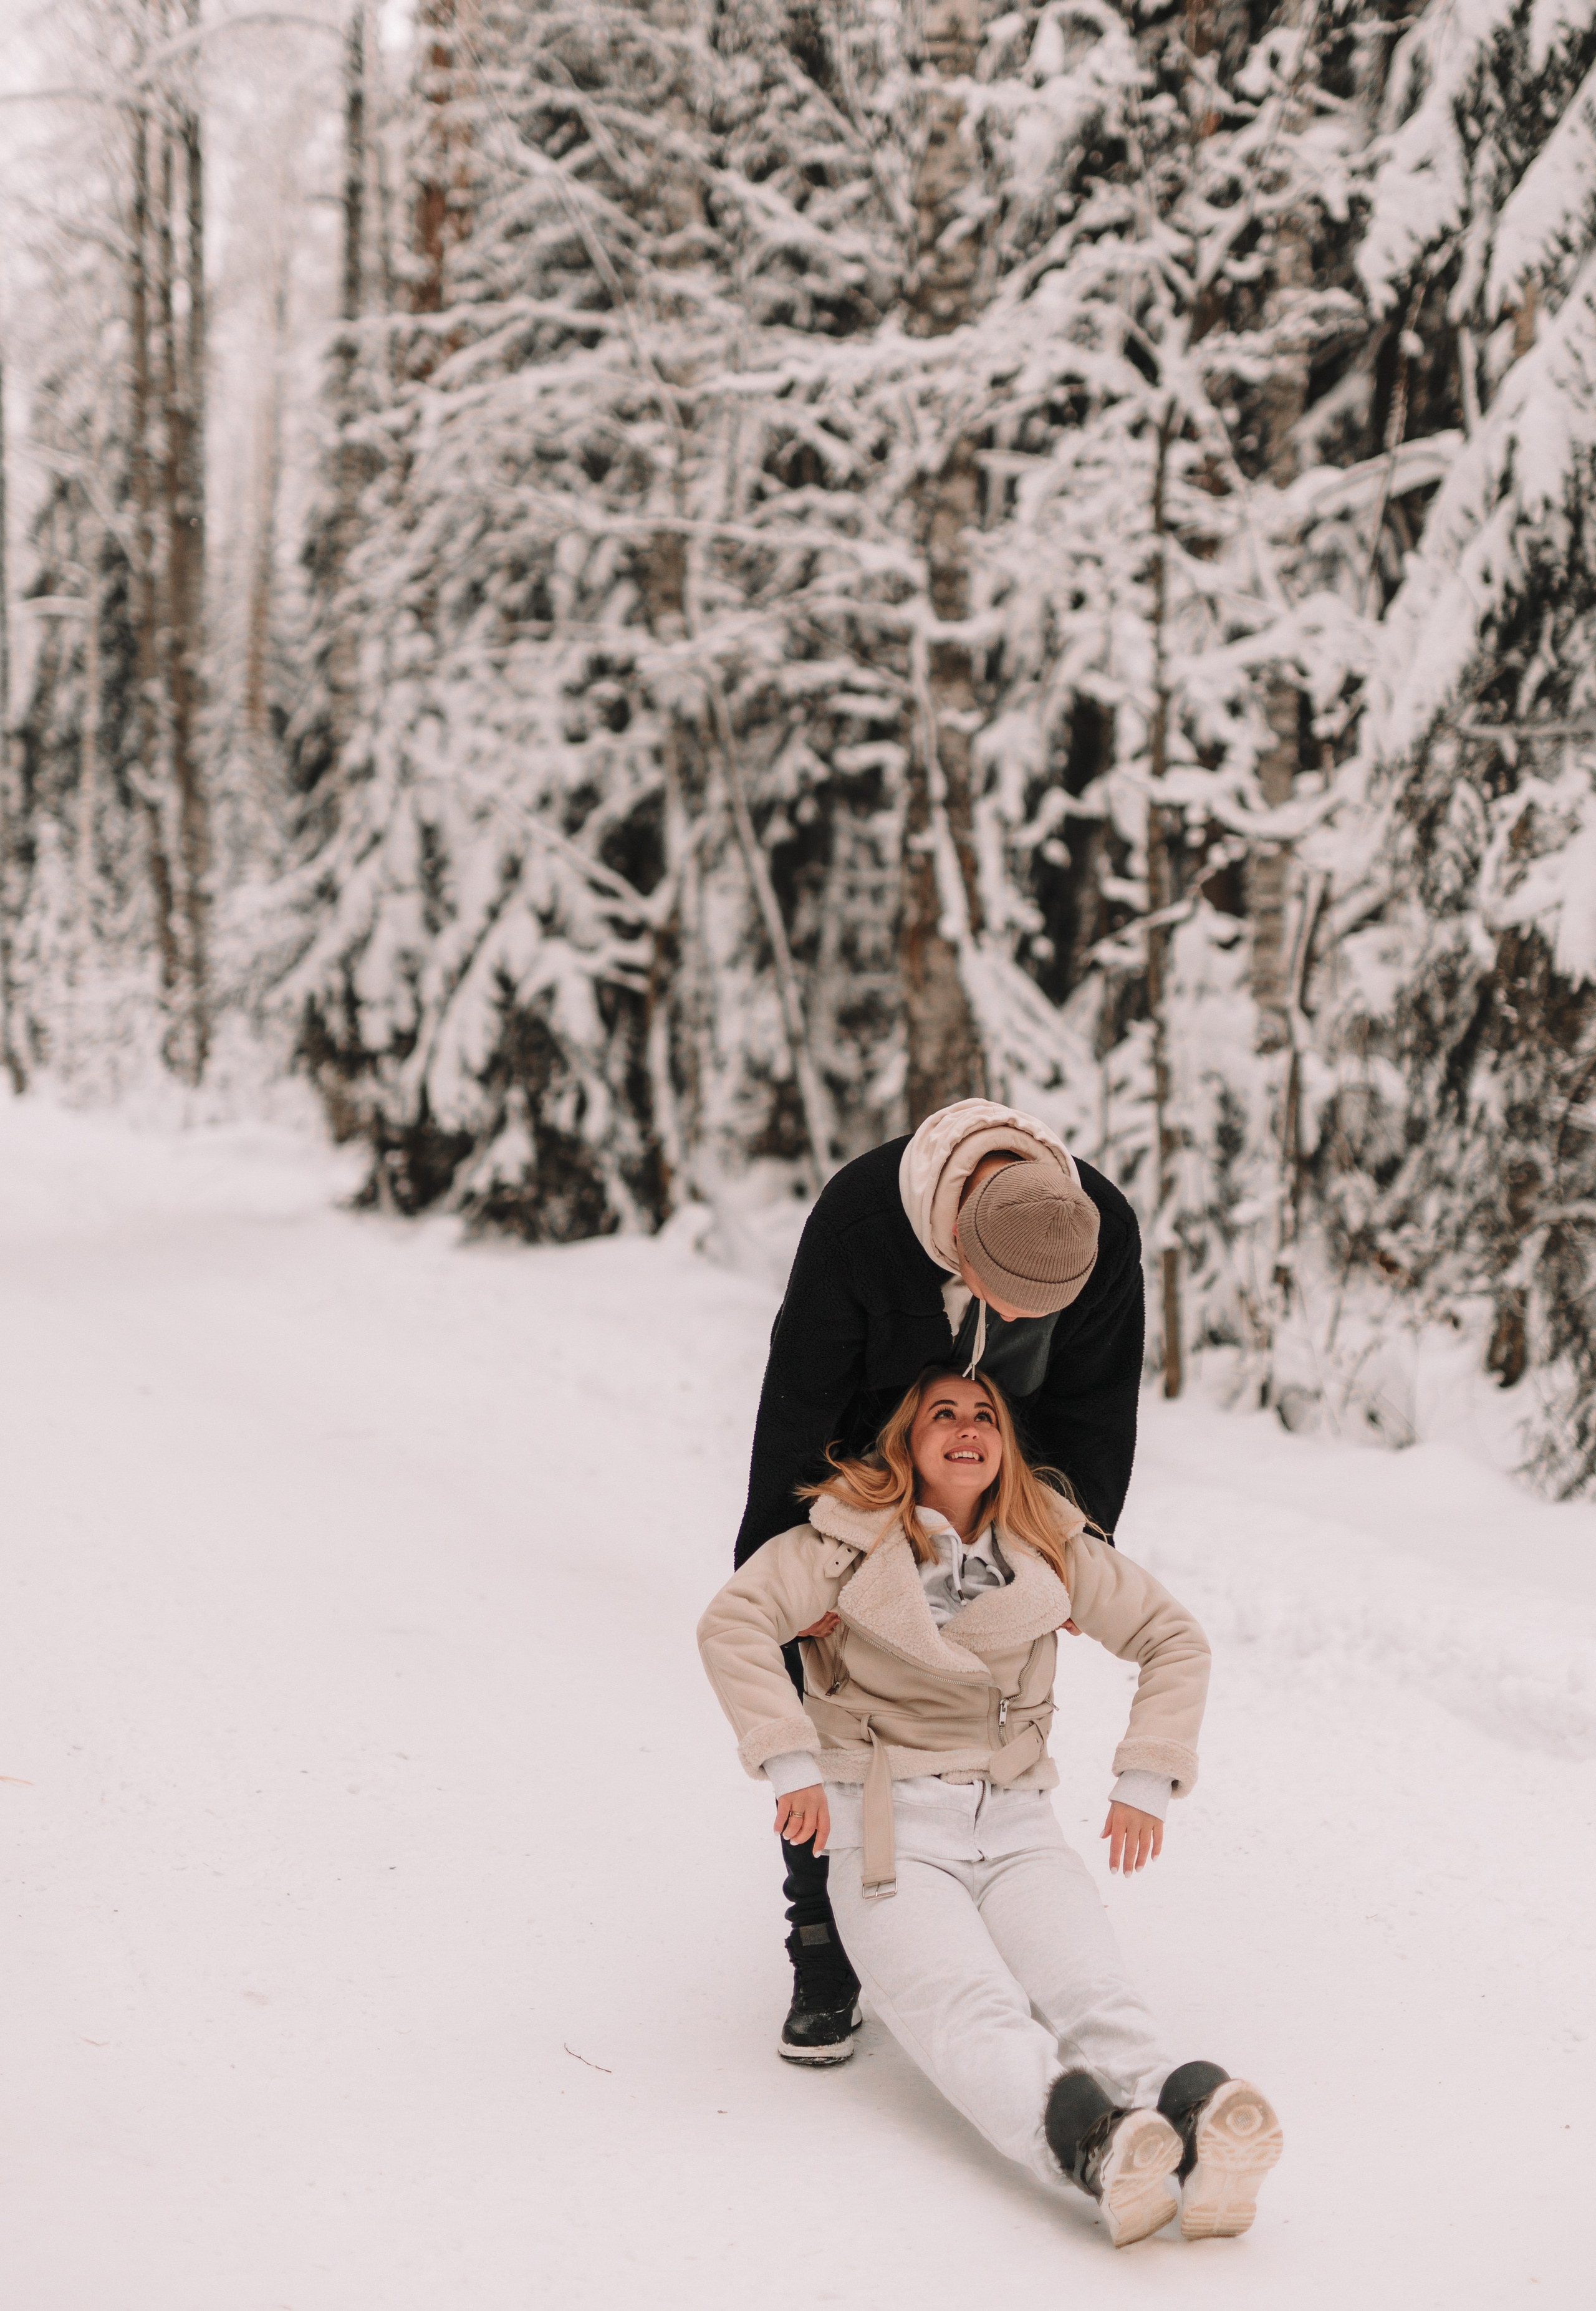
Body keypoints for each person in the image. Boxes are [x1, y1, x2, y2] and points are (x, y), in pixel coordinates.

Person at [700, 1367, 1283, 2249]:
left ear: (1007, 1444)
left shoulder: (1049, 1543)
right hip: (886, 1824)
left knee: (1093, 1991)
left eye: (986, 1416)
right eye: (943, 1414)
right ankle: (1096, 2147)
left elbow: (1172, 1638)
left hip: (1013, 1815)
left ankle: (1198, 2120)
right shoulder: (841, 1543)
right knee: (971, 2009)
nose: (967, 1427)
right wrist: (791, 1764)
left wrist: (1145, 1778)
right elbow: (734, 1622)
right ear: (905, 1440)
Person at [734, 1097, 1143, 2060]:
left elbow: (1095, 1406)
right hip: (861, 1459)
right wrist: (792, 1584)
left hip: (999, 1464)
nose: (1010, 1324)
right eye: (999, 1303)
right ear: (959, 1245)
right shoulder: (862, 1225)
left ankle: (979, 1894)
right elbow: (797, 1411)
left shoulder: (1099, 1231)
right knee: (842, 1698)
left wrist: (1077, 1551)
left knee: (984, 1684)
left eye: (1035, 1316)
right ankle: (823, 1942)